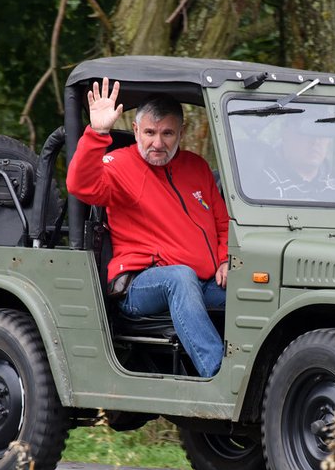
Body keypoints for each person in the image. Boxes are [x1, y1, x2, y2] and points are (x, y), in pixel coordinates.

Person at [66, 78, 229, 378]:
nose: (158, 143)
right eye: (150, 133)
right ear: (137, 131)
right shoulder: (118, 165)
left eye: (167, 133)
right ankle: (220, 377)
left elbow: (222, 223)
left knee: (254, 291)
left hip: (204, 283)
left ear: (181, 133)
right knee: (179, 277)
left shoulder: (197, 167)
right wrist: (98, 132)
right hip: (141, 285)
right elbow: (80, 185)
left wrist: (225, 258)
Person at [259, 118, 335, 200]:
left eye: (322, 133)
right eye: (307, 132)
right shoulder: (264, 181)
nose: (316, 141)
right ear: (286, 133)